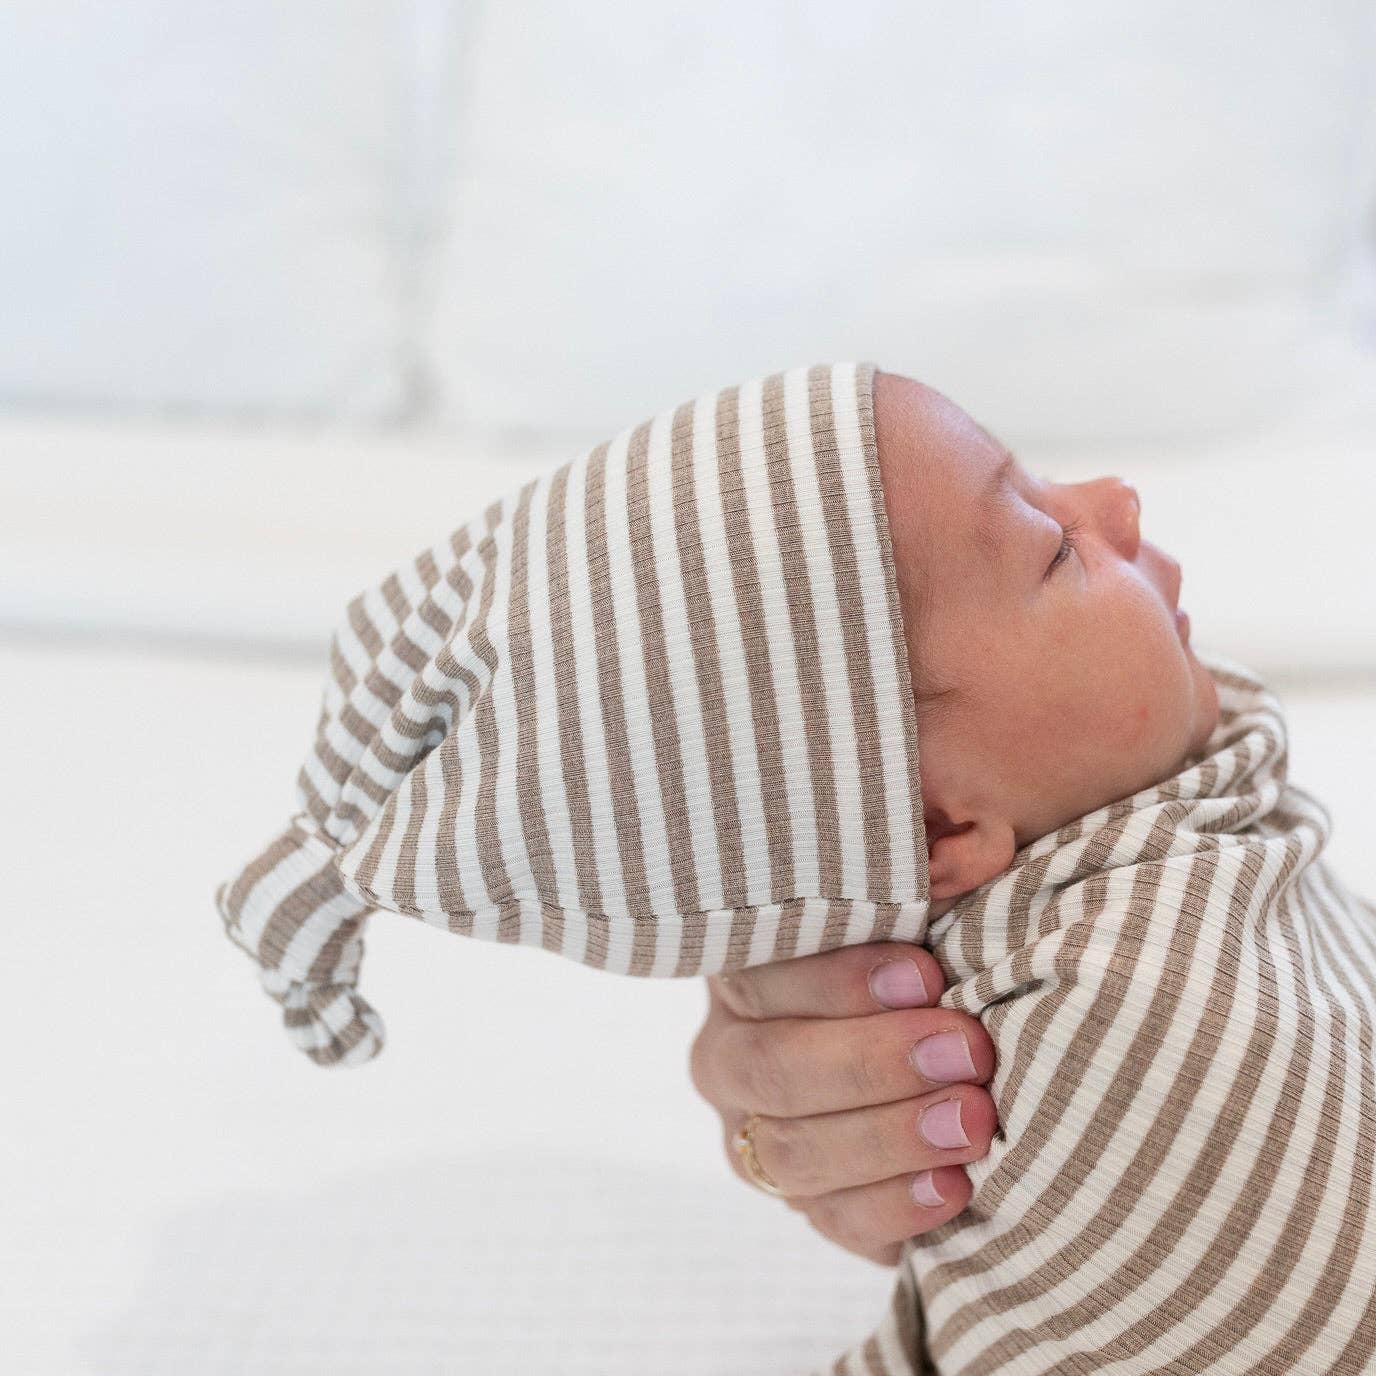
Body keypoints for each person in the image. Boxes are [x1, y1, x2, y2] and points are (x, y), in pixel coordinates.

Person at [216, 362, 1376, 1374]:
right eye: (1047, 547)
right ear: (934, 827)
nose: (1114, 500)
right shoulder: (1132, 1000)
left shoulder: (1150, 835)